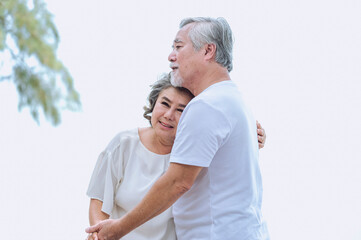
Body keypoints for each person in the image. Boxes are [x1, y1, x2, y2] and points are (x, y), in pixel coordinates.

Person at [86, 17, 270, 240]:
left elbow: (177, 182)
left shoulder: (207, 105)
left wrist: (117, 230)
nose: (171, 56)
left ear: (208, 51)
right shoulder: (235, 102)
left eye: (179, 47)